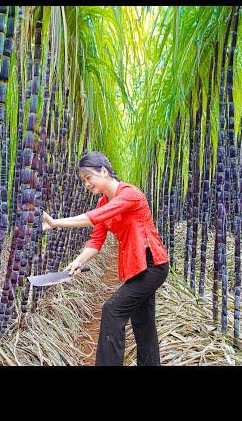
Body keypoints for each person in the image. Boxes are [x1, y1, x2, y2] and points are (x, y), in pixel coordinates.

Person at [41, 151, 169, 366]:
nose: (86, 185)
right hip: (136, 267)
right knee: (143, 322)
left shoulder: (129, 194)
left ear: (103, 171)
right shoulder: (103, 202)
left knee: (113, 310)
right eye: (83, 181)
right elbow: (96, 240)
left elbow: (93, 218)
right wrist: (78, 261)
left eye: (88, 178)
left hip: (152, 265)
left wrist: (56, 223)